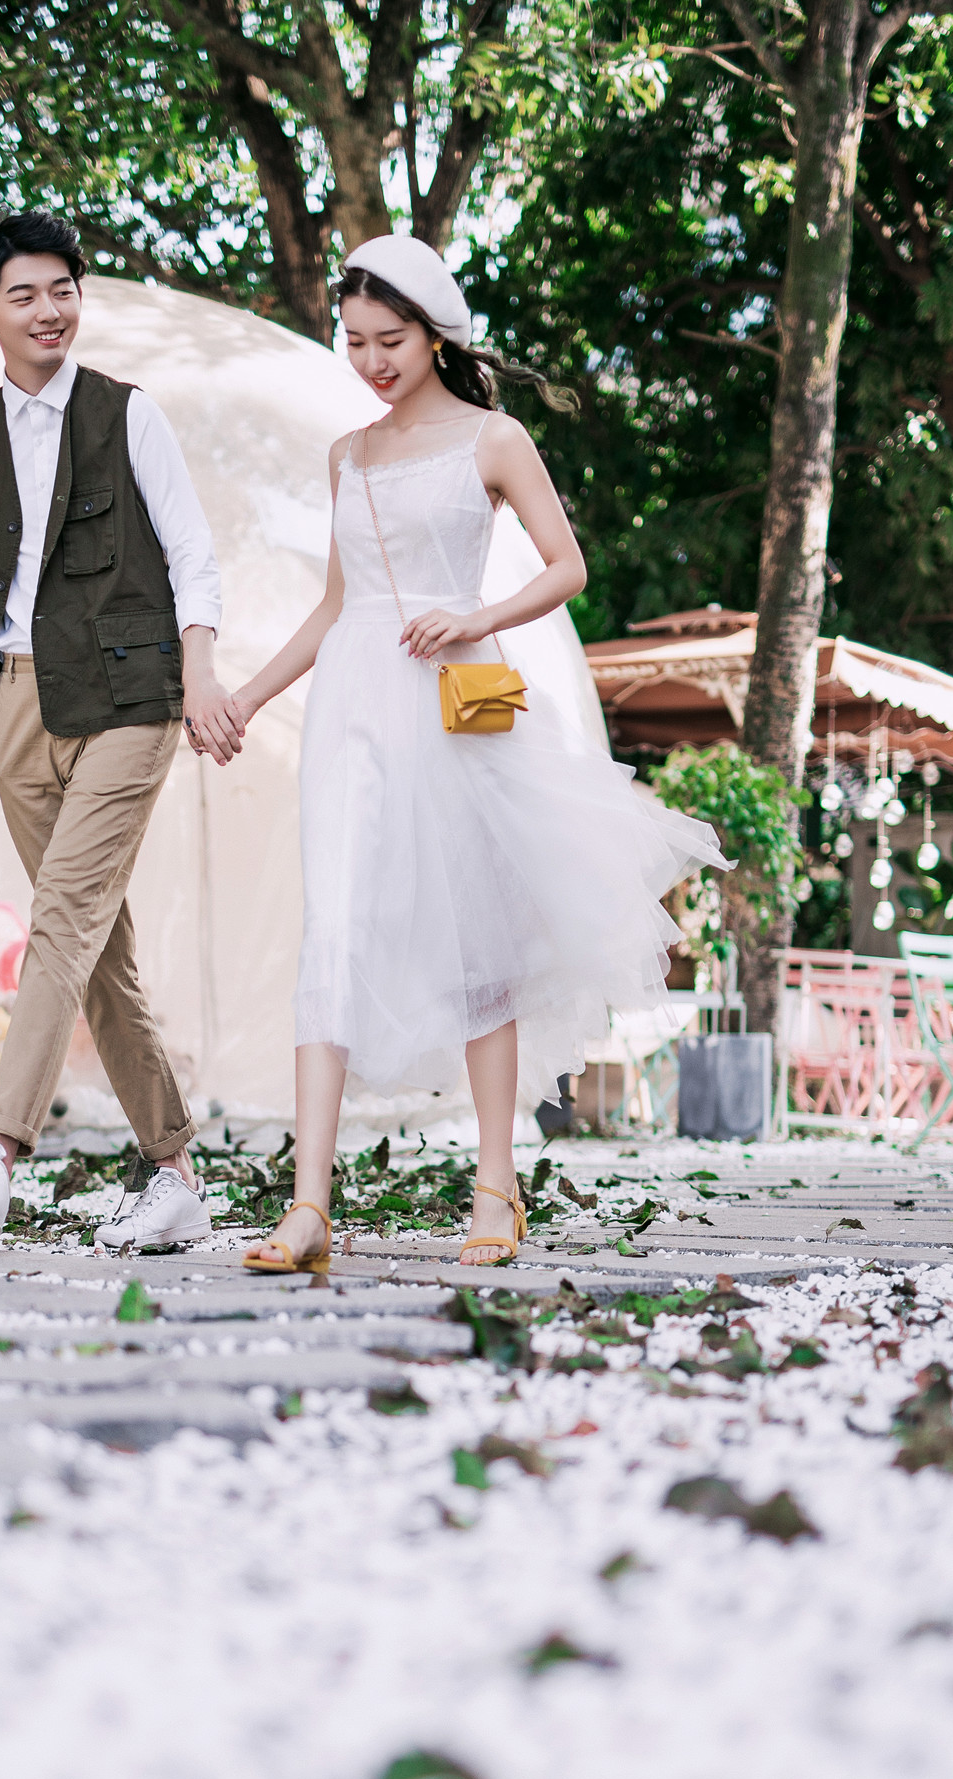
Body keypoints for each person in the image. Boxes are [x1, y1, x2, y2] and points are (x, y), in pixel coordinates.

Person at [215, 233, 728, 1273]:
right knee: (334, 931)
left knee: (477, 941)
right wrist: (246, 697)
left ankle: (496, 1186)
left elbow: (567, 566)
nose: (371, 360)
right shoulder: (346, 456)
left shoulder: (494, 439)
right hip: (351, 709)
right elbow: (335, 606)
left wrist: (475, 614)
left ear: (436, 334)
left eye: (390, 340)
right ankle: (308, 1207)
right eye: (355, 340)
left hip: (454, 704)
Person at [0, 208, 243, 1249]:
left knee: (60, 918)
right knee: (96, 951)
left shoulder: (126, 414)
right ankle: (174, 1174)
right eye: (24, 294)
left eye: (63, 289)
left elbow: (191, 554)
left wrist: (200, 674)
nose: (49, 309)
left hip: (130, 699)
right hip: (12, 705)